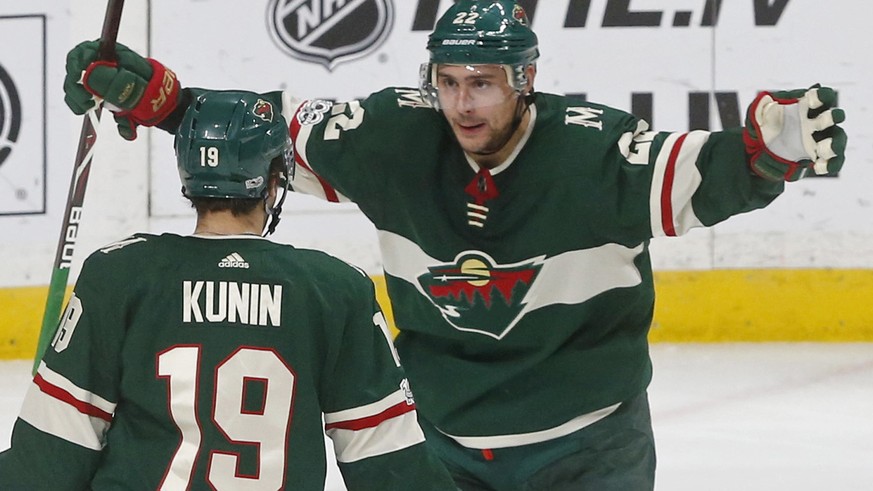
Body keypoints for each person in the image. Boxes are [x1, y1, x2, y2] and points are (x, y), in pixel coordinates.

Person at [60, 1, 847, 489]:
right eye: (449, 81)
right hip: (441, 451)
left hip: (587, 450)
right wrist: (158, 98)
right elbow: (253, 134)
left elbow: (709, 175)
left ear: (525, 79)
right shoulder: (391, 136)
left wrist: (765, 153)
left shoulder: (592, 153)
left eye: (484, 83)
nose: (463, 104)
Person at [0, 90, 457, 490]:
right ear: (276, 179)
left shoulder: (118, 275)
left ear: (186, 174)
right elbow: (390, 463)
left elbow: (49, 459)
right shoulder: (336, 290)